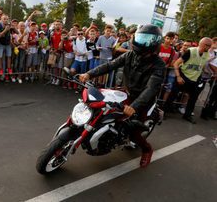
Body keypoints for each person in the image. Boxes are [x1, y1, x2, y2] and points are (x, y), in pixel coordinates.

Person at [80, 24, 165, 168]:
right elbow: (110, 65)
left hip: (143, 100)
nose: (142, 42)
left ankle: (147, 150)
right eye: (140, 38)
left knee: (134, 132)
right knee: (103, 109)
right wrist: (89, 74)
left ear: (155, 42)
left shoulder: (159, 65)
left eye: (146, 39)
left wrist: (134, 107)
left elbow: (151, 88)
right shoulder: (129, 55)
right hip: (126, 91)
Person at [172, 37, 212, 124]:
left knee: (193, 98)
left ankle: (187, 115)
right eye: (208, 45)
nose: (209, 47)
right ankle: (165, 110)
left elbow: (202, 65)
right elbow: (176, 64)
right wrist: (178, 76)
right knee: (173, 93)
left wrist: (209, 72)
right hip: (183, 76)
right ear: (202, 44)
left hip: (195, 79)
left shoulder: (206, 54)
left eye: (210, 46)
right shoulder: (191, 51)